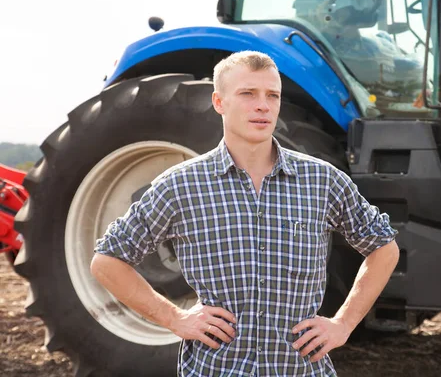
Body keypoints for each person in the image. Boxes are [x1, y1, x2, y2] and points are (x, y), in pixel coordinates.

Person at [90, 50, 400, 376]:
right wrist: (173, 317)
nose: (263, 105)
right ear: (219, 102)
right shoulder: (179, 186)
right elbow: (107, 261)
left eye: (272, 95)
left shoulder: (323, 181)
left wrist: (343, 323)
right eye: (248, 94)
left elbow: (383, 247)